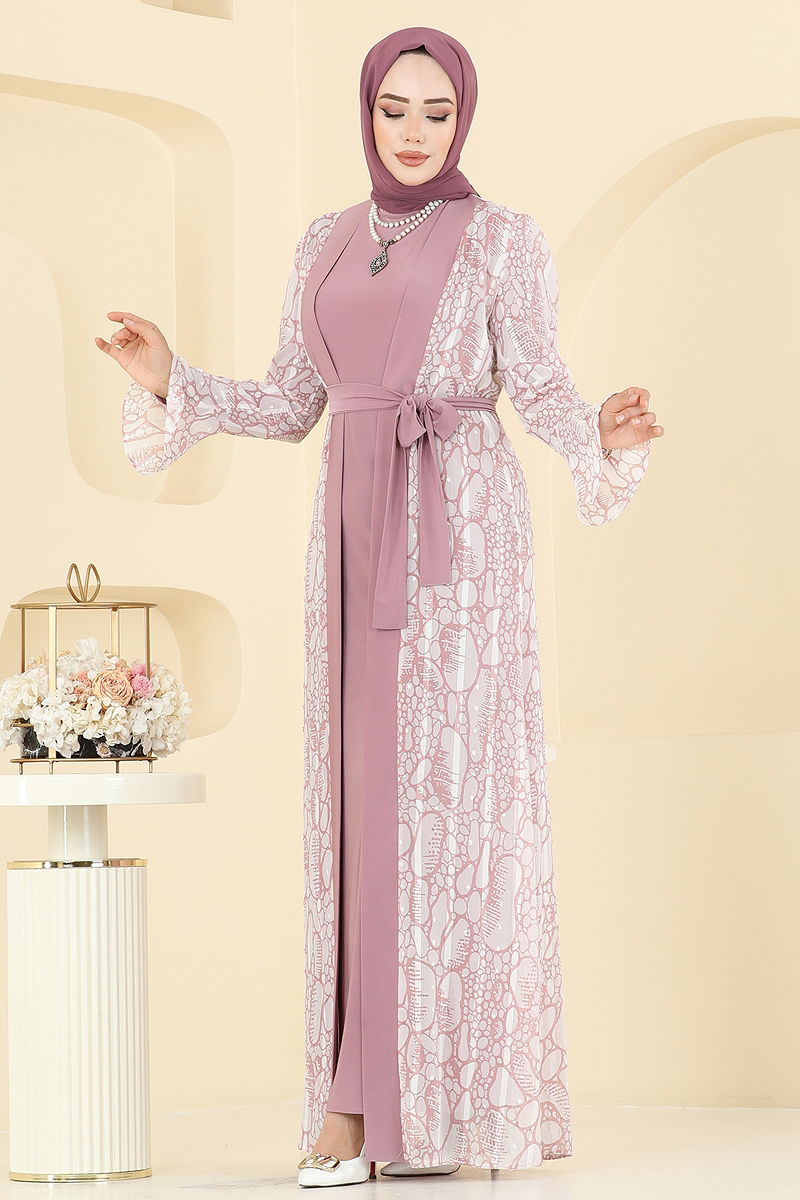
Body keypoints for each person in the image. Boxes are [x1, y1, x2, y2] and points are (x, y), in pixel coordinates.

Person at [96, 25, 663, 1189]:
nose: (412, 131)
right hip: (350, 531)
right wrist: (170, 380)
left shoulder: (500, 240)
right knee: (360, 808)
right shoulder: (324, 239)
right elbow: (287, 401)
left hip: (458, 534)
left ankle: (413, 1107)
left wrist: (599, 436)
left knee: (447, 807)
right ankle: (357, 1099)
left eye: (435, 112)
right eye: (392, 109)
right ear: (365, 114)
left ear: (463, 119)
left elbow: (538, 385)